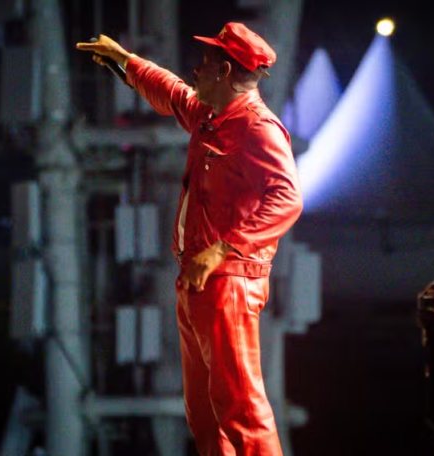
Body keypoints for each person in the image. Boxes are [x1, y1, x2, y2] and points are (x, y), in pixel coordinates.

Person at [77, 22, 302, 456]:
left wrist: (223, 248)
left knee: (241, 410)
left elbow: (288, 198)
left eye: (204, 63)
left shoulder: (258, 128)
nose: (195, 70)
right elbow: (172, 92)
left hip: (229, 281)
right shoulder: (213, 116)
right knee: (204, 414)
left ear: (222, 70)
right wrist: (124, 62)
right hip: (200, 280)